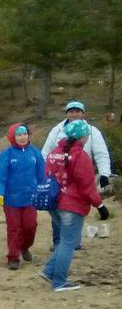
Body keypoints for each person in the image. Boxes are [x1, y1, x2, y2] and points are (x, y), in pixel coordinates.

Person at [41, 119, 111, 291]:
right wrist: (100, 206)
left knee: (65, 240)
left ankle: (49, 271)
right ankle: (59, 281)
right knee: (69, 242)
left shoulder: (54, 153)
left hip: (53, 202)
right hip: (71, 205)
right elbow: (87, 186)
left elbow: (48, 175)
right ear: (82, 137)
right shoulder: (80, 156)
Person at [0, 123, 45, 270]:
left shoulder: (35, 153)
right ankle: (13, 257)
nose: (22, 137)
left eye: (24, 134)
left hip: (31, 199)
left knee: (30, 226)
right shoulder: (6, 155)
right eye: (18, 134)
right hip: (11, 200)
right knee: (14, 228)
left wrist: (44, 191)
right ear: (12, 137)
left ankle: (25, 247)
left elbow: (42, 175)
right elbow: (0, 177)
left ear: (28, 135)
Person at [41, 101, 113, 192]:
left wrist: (104, 174)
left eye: (77, 111)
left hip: (82, 176)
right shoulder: (57, 130)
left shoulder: (92, 131)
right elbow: (45, 153)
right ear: (66, 114)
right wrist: (43, 174)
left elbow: (101, 154)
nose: (74, 115)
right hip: (58, 179)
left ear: (83, 114)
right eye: (71, 112)